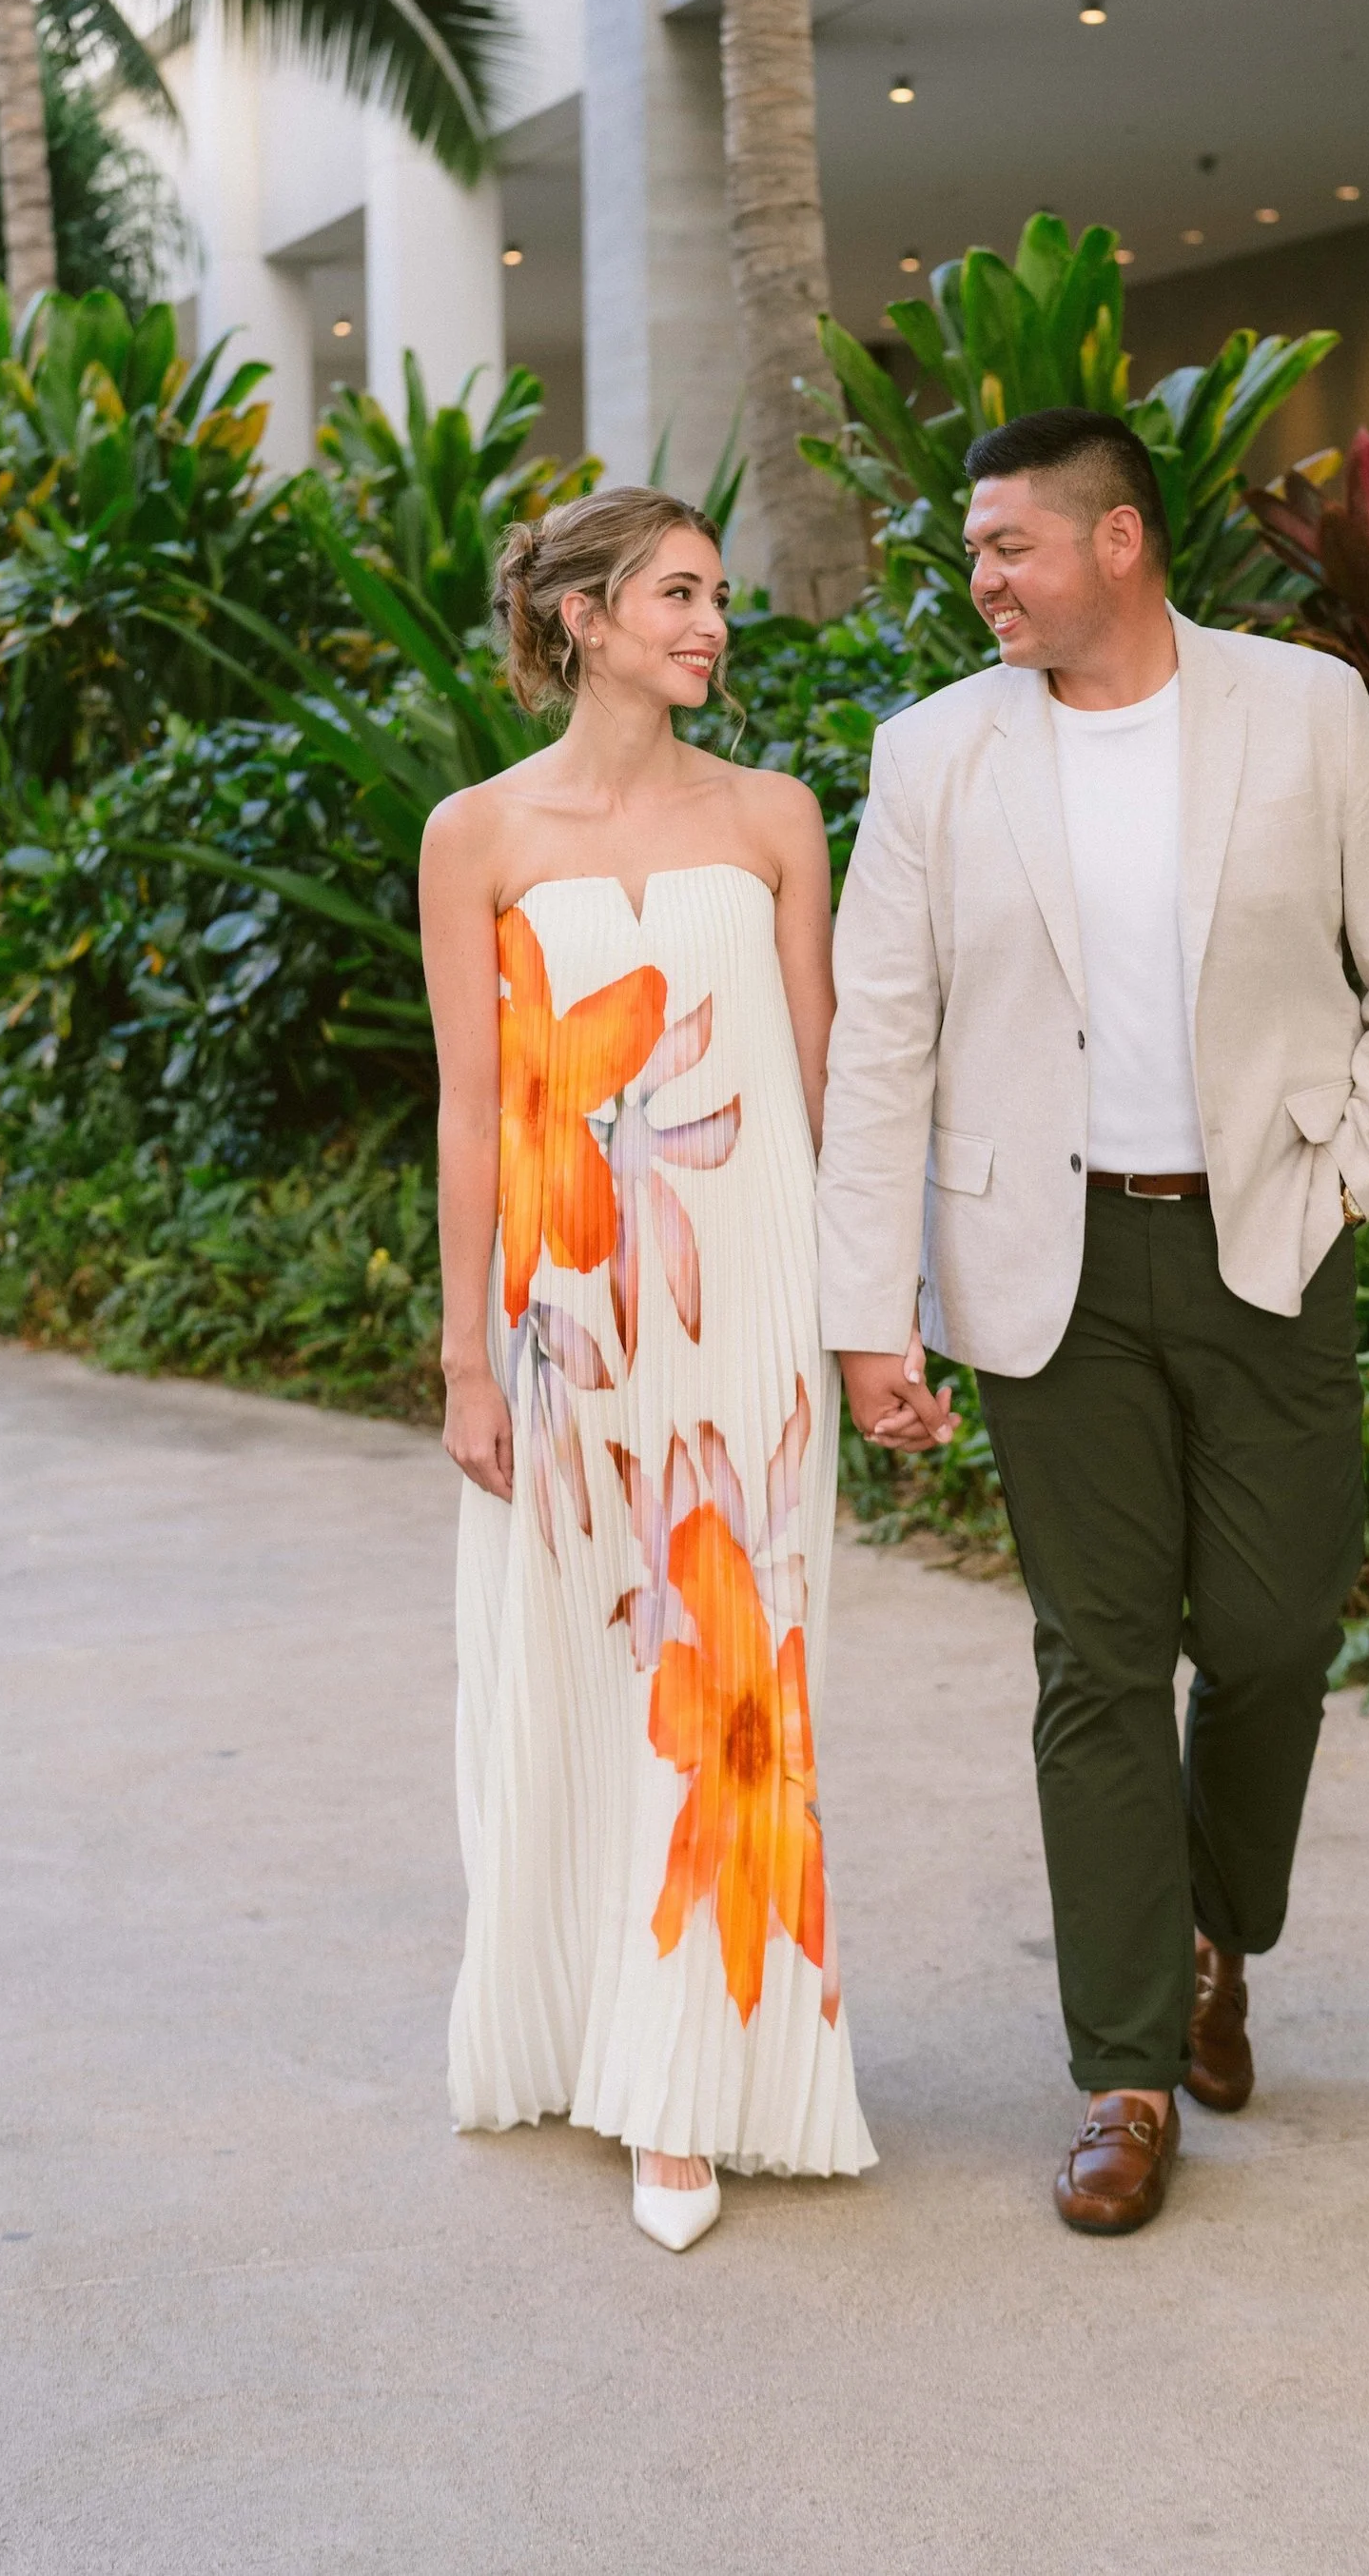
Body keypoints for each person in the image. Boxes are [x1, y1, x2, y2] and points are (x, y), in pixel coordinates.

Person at [816, 406, 1369, 2235]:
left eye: (1007, 549)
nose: (981, 583)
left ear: (1117, 544)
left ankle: (1216, 1930)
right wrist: (870, 1311)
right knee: (1097, 1658)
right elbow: (882, 1038)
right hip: (1048, 1271)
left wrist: (1351, 1171)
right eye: (974, 555)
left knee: (1269, 1634)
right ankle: (1123, 2069)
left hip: (1269, 1235)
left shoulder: (1302, 713)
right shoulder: (936, 753)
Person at [421, 484, 879, 2252]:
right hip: (567, 1319)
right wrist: (464, 1354)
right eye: (677, 594)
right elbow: (470, 1106)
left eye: (716, 595)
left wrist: (866, 1313)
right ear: (583, 618)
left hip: (746, 1306)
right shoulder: (477, 833)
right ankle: (585, 2029)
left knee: (734, 1678)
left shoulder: (775, 817)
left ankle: (691, 2090)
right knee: (581, 1668)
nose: (712, 623)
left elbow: (827, 1076)